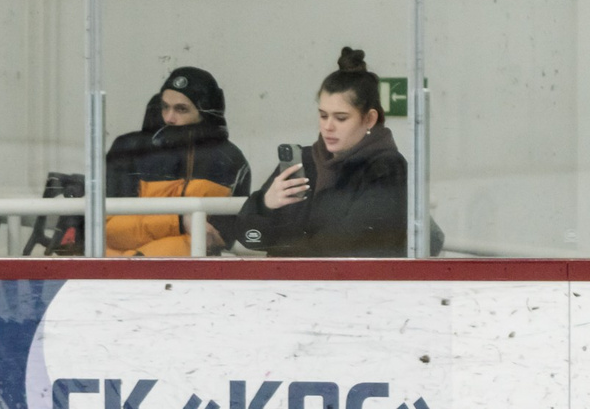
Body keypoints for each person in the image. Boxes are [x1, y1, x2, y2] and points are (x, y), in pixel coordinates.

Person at [234, 47, 410, 257]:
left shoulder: (386, 167)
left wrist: (275, 237)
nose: (328, 127)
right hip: (290, 285)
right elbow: (247, 235)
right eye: (323, 115)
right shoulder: (304, 160)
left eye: (341, 118)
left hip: (352, 287)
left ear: (369, 119)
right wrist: (264, 204)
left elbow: (345, 245)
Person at [102, 65, 254, 257]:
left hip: (173, 272)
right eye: (165, 107)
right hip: (113, 270)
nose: (169, 118)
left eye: (181, 109)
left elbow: (217, 238)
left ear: (205, 112)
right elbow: (110, 229)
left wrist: (141, 258)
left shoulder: (231, 160)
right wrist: (180, 222)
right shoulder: (129, 149)